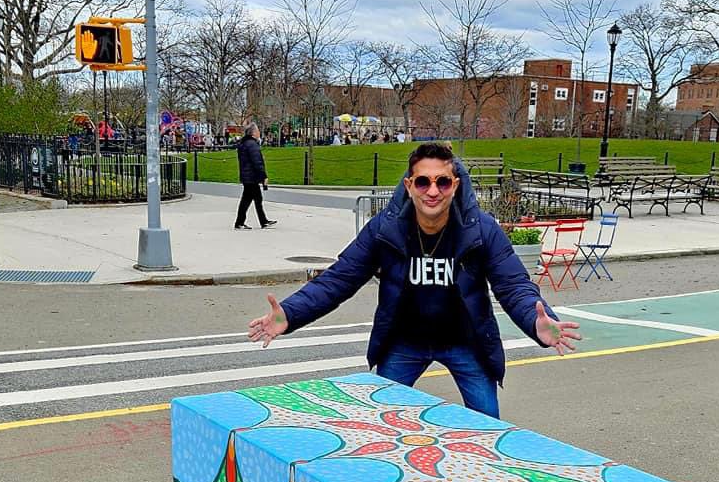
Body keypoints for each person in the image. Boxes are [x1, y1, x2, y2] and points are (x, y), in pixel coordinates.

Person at [247, 142, 580, 417]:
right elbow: (339, 279)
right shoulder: (385, 229)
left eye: (442, 182)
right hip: (405, 342)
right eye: (423, 182)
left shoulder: (481, 229)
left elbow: (514, 286)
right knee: (385, 421)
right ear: (409, 185)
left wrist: (538, 322)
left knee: (487, 430)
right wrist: (289, 314)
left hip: (466, 341)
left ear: (456, 185)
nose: (432, 191)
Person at [234, 123, 276, 231]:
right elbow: (257, 162)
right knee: (257, 199)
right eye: (257, 131)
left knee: (247, 199)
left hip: (247, 176)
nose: (259, 133)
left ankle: (240, 222)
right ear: (253, 133)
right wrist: (264, 176)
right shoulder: (252, 145)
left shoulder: (244, 144)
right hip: (251, 177)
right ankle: (263, 221)